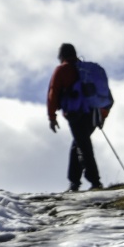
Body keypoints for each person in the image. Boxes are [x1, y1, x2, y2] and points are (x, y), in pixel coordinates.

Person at [47, 43, 110, 192]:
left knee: (83, 146)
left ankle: (94, 181)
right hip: (93, 113)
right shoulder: (88, 69)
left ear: (61, 56)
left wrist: (52, 117)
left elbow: (53, 93)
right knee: (79, 143)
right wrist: (103, 114)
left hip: (75, 114)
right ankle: (74, 182)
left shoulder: (62, 70)